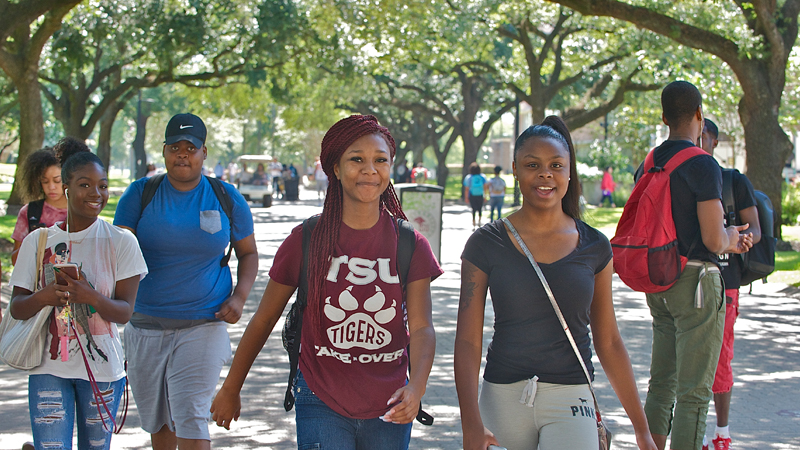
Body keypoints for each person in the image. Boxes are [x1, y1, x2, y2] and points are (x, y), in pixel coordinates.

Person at [209, 114, 442, 449]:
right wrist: (232, 387)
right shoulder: (306, 239)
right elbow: (263, 319)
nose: (369, 169)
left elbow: (422, 328)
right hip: (321, 398)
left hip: (391, 400)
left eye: (380, 160)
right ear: (334, 167)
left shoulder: (410, 243)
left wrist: (417, 387)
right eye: (356, 159)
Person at [454, 116, 657, 450]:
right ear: (515, 171)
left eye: (556, 165)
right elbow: (467, 341)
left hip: (571, 396)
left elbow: (609, 341)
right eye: (532, 165)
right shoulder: (485, 243)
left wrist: (642, 429)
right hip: (503, 395)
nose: (545, 174)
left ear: (568, 172)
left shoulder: (594, 246)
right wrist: (471, 423)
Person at [113, 113, 259, 450]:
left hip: (203, 324)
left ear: (203, 152)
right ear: (164, 152)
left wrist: (239, 297)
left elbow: (248, 254)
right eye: (175, 147)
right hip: (145, 325)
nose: (183, 154)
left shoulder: (225, 197)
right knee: (160, 423)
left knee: (191, 416)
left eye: (190, 147)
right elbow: (118, 253)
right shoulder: (140, 194)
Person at [9, 137, 148, 450]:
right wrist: (45, 296)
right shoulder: (37, 241)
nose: (96, 194)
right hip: (48, 367)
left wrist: (90, 296)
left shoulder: (121, 242)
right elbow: (17, 307)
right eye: (85, 185)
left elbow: (125, 312)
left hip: (103, 370)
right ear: (66, 187)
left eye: (102, 185)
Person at [635, 81, 752, 450]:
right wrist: (734, 236)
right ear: (700, 116)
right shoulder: (703, 164)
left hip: (659, 280)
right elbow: (715, 239)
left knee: (662, 383)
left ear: (665, 117)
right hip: (698, 283)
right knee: (694, 391)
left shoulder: (649, 162)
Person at [699, 119, 761, 450]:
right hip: (687, 281)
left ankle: (721, 433)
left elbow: (757, 229)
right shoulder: (682, 176)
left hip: (727, 283)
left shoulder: (732, 180)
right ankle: (691, 432)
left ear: (715, 141)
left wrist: (740, 240)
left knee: (721, 358)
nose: (698, 140)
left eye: (704, 136)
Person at [11, 147, 67, 265]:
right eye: (45, 181)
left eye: (57, 181)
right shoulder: (29, 211)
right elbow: (15, 261)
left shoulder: (79, 212)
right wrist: (34, 240)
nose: (51, 187)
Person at [463, 162, 488, 228]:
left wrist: (466, 197)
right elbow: (485, 187)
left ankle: (473, 221)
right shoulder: (482, 177)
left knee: (473, 209)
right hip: (480, 194)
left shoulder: (469, 178)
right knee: (480, 208)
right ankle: (479, 221)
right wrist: (485, 196)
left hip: (472, 195)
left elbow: (467, 189)